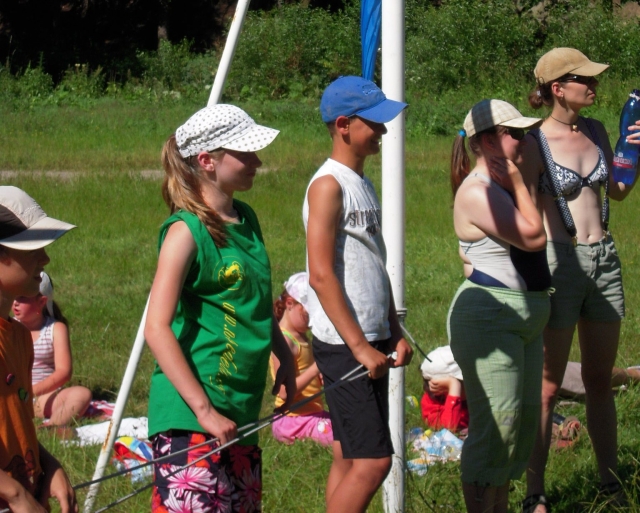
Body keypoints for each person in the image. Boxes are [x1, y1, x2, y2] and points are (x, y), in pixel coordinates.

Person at [144, 104, 296, 512]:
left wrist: (283, 355)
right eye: (245, 153)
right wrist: (204, 410)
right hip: (191, 418)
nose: (257, 162)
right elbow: (156, 327)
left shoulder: (246, 218)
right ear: (206, 161)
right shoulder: (185, 231)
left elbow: (254, 300)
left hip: (239, 414)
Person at [521, 48, 640, 513]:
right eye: (584, 79)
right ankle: (535, 492)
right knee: (548, 386)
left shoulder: (596, 130)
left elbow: (618, 191)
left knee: (598, 381)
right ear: (558, 88)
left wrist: (633, 152)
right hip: (560, 262)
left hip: (604, 260)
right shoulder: (534, 142)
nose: (594, 85)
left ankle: (610, 484)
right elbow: (522, 211)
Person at [303, 76, 413, 513]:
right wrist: (360, 347)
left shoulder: (360, 182)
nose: (383, 130)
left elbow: (374, 264)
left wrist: (394, 329)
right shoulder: (328, 186)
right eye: (374, 123)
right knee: (373, 462)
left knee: (349, 455)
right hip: (345, 343)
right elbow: (321, 275)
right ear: (344, 125)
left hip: (372, 334)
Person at [448, 99, 550, 513]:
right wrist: (521, 183)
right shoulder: (478, 192)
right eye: (515, 133)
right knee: (497, 429)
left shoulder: (499, 186)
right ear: (488, 141)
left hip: (522, 317)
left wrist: (517, 181)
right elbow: (534, 237)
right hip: (490, 318)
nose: (523, 141)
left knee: (519, 430)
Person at [0, 186, 77, 512]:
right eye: (32, 248)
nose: (45, 258)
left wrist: (49, 464)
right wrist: (15, 495)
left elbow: (16, 424)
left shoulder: (18, 337)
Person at [12, 271, 92, 427]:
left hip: (44, 397)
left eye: (22, 297)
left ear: (41, 302)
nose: (15, 302)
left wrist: (31, 391)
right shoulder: (8, 328)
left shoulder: (55, 329)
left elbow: (64, 372)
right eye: (14, 295)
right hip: (12, 394)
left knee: (81, 394)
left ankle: (53, 426)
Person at [270, 271, 333, 446]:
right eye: (308, 314)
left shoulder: (301, 337)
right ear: (290, 304)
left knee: (349, 425)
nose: (312, 320)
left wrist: (318, 376)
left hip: (310, 415)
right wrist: (315, 369)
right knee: (343, 436)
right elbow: (284, 392)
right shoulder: (284, 341)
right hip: (291, 420)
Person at [420, 345, 468, 433]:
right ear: (440, 387)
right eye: (464, 381)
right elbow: (450, 428)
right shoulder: (430, 404)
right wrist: (454, 385)